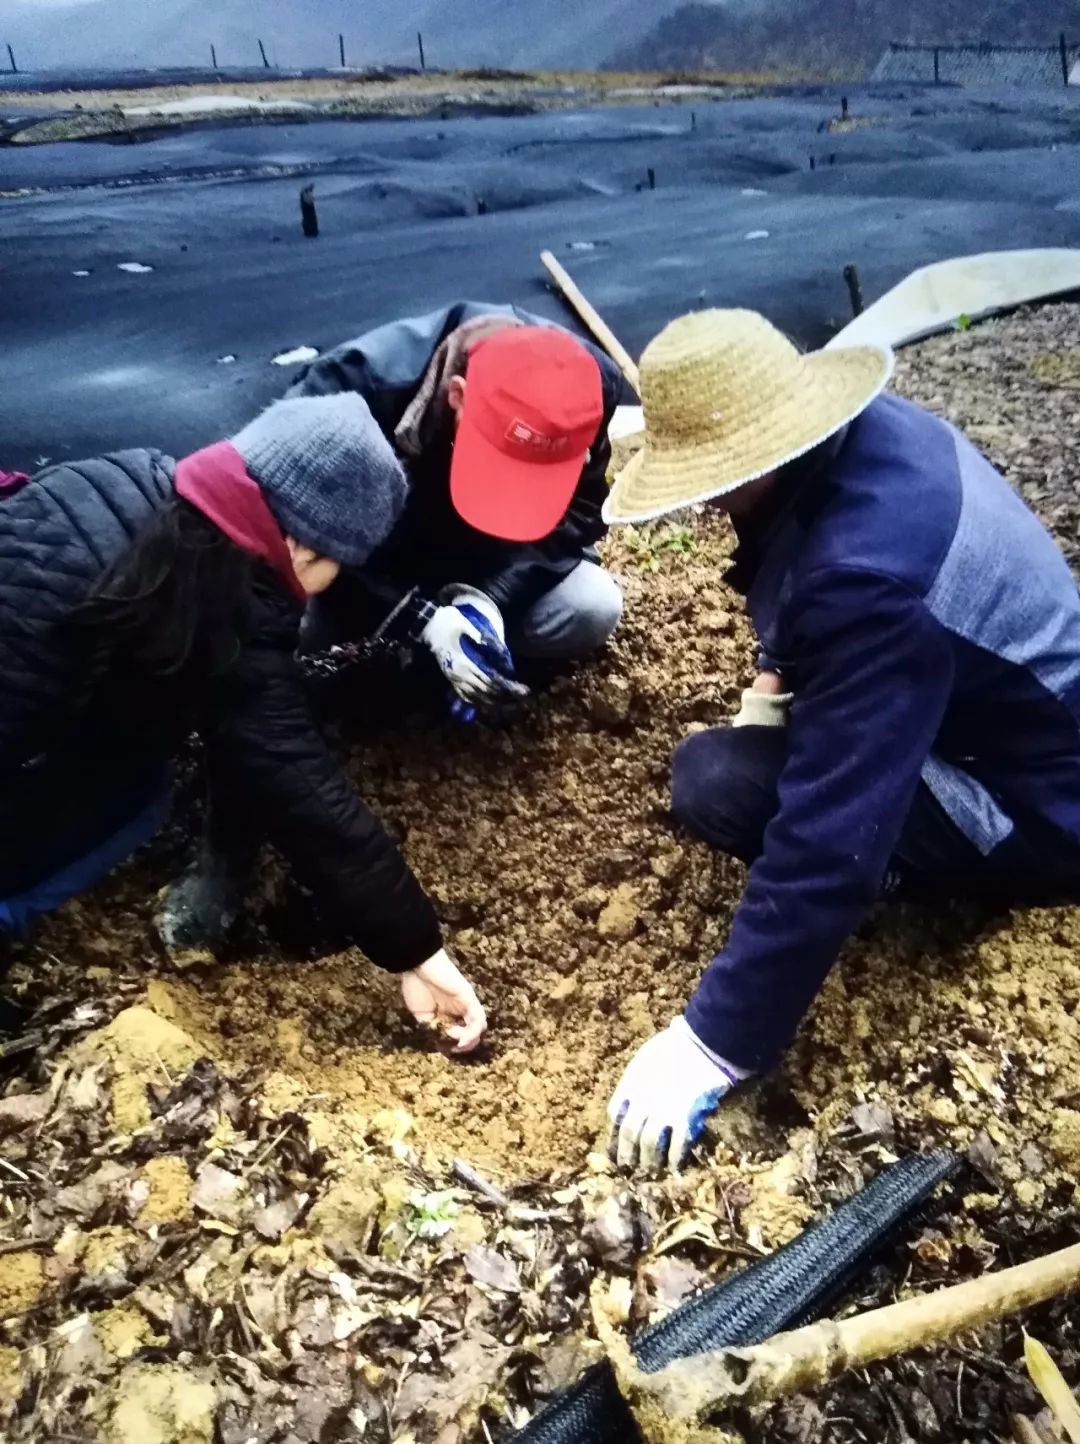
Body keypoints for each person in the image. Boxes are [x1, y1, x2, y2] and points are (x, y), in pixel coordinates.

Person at [604, 308, 1080, 1173]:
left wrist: (713, 1041)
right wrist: (773, 683)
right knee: (736, 761)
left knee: (720, 785)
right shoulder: (866, 437)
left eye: (709, 478)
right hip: (1007, 721)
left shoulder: (864, 580)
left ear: (758, 456)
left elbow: (829, 848)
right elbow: (796, 574)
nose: (704, 500)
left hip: (1039, 805)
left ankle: (939, 888)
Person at [0, 395, 486, 1052]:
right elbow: (299, 782)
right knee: (128, 796)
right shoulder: (226, 602)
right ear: (301, 544)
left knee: (137, 786)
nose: (315, 592)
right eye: (332, 567)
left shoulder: (145, 487)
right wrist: (420, 954)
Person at [285, 302, 626, 712]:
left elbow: (579, 511)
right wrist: (420, 618)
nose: (507, 490)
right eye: (497, 461)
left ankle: (467, 665)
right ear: (458, 395)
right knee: (281, 612)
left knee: (592, 605)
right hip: (373, 566)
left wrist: (486, 601)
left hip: (481, 566)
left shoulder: (587, 391)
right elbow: (292, 537)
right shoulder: (347, 393)